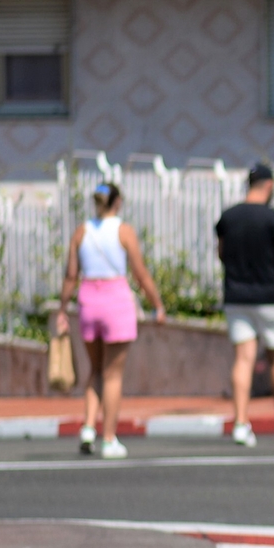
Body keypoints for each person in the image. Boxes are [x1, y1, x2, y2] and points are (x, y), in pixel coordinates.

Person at [55, 181, 167, 461]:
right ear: (117, 202)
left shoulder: (81, 231)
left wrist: (61, 309)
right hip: (116, 300)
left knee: (94, 370)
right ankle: (108, 438)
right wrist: (158, 305)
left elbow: (71, 275)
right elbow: (140, 273)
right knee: (113, 374)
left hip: (88, 301)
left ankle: (88, 427)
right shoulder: (123, 231)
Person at [216, 163, 274, 446]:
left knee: (243, 359)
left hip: (236, 296)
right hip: (269, 297)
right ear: (269, 186)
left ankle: (241, 423)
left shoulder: (227, 217)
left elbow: (221, 253)